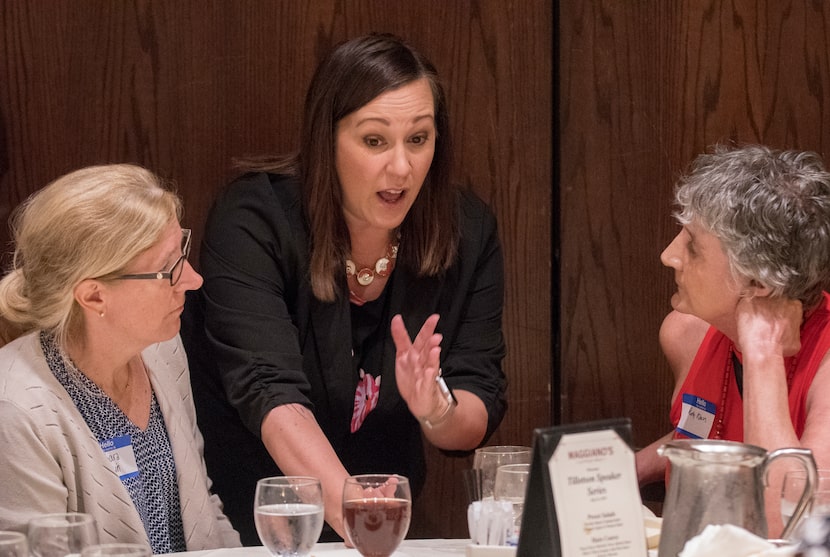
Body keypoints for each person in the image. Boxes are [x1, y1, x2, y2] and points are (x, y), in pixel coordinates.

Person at [181, 32, 508, 543]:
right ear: (327, 140)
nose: (401, 166)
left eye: (418, 139)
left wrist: (436, 409)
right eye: (374, 140)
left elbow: (475, 402)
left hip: (381, 525)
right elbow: (269, 389)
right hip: (259, 525)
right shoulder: (254, 221)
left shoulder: (466, 230)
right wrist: (361, 517)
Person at [0, 164, 241, 552]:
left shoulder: (160, 348)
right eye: (168, 269)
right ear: (94, 296)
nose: (194, 279)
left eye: (182, 253)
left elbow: (202, 507)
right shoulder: (16, 411)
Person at [635, 144, 830, 533]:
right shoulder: (685, 332)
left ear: (758, 282)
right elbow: (714, 429)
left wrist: (763, 351)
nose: (669, 255)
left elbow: (789, 525)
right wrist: (630, 469)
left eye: (692, 245)